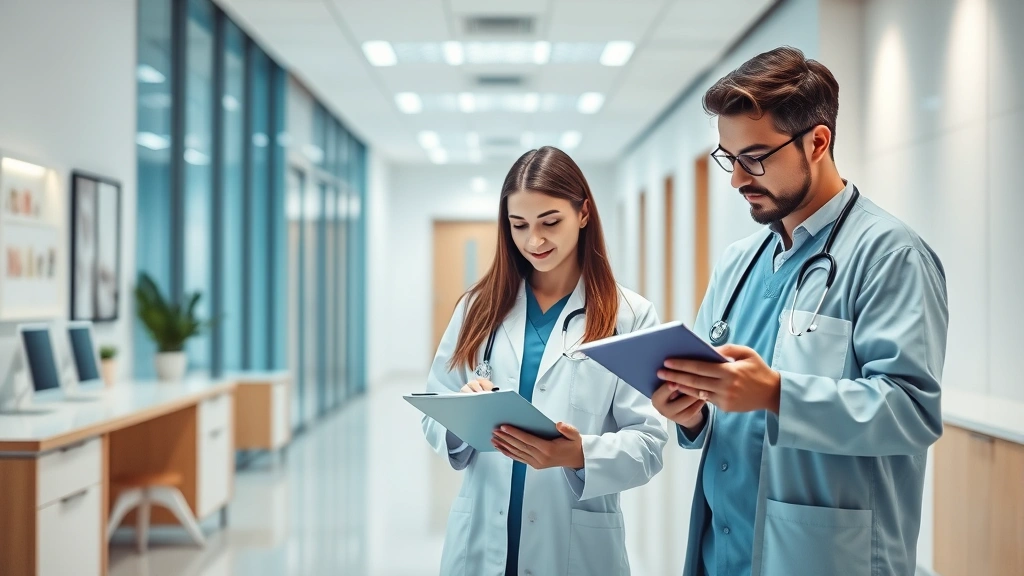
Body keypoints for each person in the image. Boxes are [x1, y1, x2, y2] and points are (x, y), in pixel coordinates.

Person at [651, 47, 949, 576]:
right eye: (729, 158)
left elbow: (910, 411)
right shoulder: (739, 262)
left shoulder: (888, 255)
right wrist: (691, 411)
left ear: (817, 142)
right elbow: (714, 406)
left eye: (755, 158)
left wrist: (775, 393)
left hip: (826, 555)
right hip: (722, 552)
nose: (738, 179)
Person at [421, 146, 668, 576]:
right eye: (519, 226)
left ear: (584, 213)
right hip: (482, 539)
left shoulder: (631, 315)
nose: (534, 241)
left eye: (550, 222)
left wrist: (578, 454)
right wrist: (465, 412)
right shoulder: (478, 307)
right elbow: (433, 407)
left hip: (574, 545)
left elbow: (648, 442)